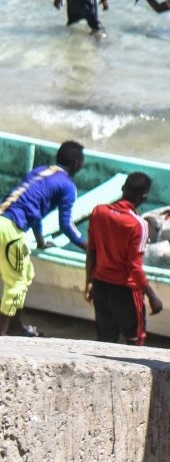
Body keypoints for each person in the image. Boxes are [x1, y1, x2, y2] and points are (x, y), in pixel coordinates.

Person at [0, 141, 87, 337]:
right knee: (16, 284)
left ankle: (15, 326)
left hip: (4, 220)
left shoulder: (40, 171)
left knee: (26, 273)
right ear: (75, 164)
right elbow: (66, 224)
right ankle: (2, 336)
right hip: (10, 230)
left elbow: (36, 213)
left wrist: (40, 242)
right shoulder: (67, 186)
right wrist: (85, 246)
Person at [85, 172, 163, 346]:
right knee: (135, 340)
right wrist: (152, 296)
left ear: (122, 189)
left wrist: (89, 282)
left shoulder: (99, 212)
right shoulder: (138, 225)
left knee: (105, 340)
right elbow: (134, 268)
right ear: (144, 196)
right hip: (125, 291)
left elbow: (92, 251)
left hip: (101, 286)